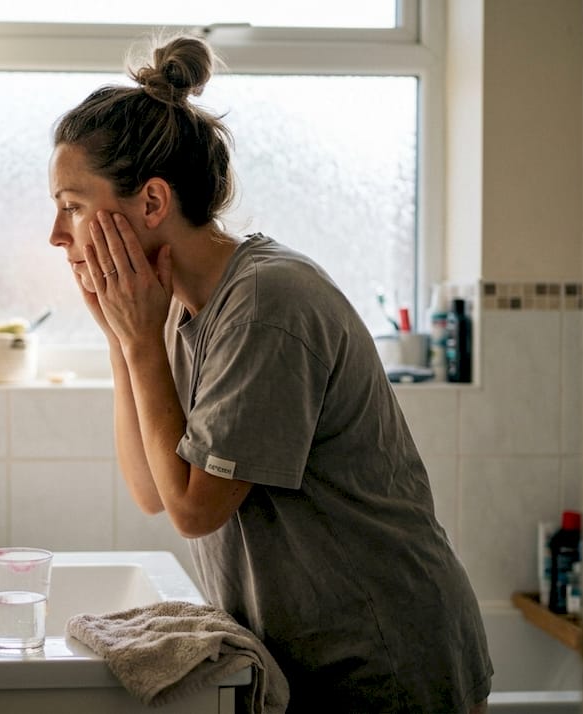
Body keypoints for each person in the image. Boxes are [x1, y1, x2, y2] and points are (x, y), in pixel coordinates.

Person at [47, 34, 493, 713]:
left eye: (73, 204)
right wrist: (121, 336)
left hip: (385, 660)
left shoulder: (267, 303)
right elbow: (150, 490)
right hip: (318, 660)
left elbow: (194, 509)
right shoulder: (176, 309)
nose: (58, 233)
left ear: (152, 203)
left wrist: (139, 344)